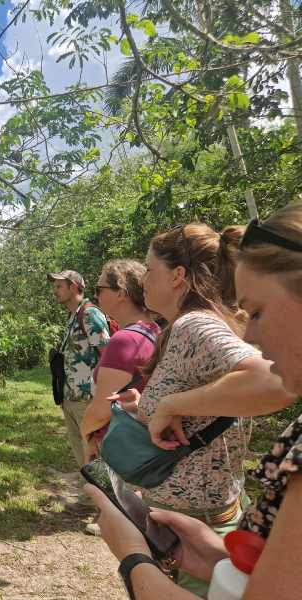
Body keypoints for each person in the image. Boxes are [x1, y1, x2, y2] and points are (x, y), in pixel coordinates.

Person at [87, 203, 302, 600]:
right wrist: (151, 403)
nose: (251, 334)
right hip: (200, 526)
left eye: (149, 269)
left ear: (178, 276)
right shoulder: (183, 327)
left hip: (199, 513)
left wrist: (132, 556)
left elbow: (271, 379)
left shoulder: (194, 324)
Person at [81, 259, 160, 463]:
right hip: (146, 447)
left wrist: (85, 433)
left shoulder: (124, 340)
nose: (96, 296)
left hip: (121, 449)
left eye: (100, 289)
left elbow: (102, 410)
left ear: (121, 293)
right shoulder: (155, 332)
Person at [48, 270, 110, 471]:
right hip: (70, 397)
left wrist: (101, 398)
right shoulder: (73, 315)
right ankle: (89, 490)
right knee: (82, 457)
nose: (55, 291)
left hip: (88, 400)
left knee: (96, 457)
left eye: (59, 286)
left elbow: (108, 355)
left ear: (74, 287)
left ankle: (104, 492)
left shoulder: (90, 314)